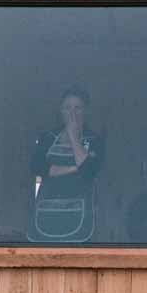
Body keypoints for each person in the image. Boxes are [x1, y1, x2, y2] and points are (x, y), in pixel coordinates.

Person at [29, 86, 105, 243]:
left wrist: (72, 135)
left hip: (80, 215)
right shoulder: (48, 138)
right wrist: (75, 167)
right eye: (67, 108)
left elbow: (89, 172)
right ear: (60, 111)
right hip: (46, 213)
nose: (72, 113)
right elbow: (37, 167)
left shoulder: (95, 140)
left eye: (78, 108)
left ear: (86, 111)